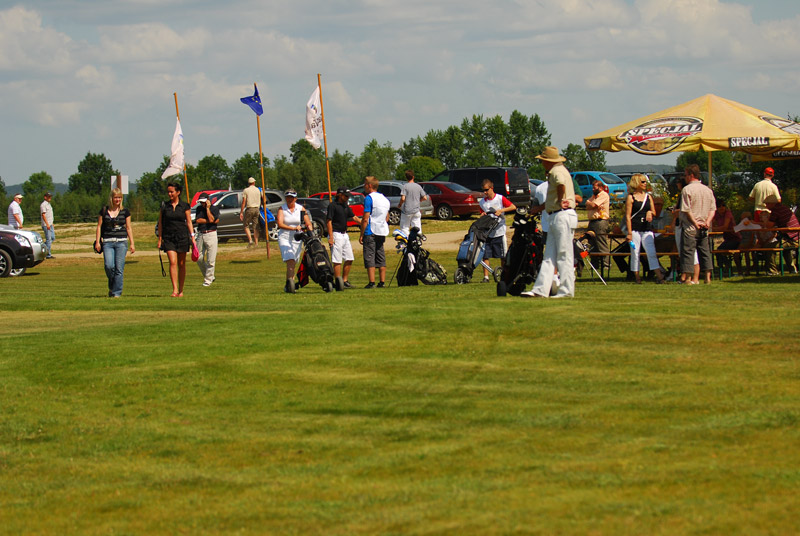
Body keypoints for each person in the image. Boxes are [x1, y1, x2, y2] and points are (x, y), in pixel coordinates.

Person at [523, 146, 577, 298]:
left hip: (562, 215)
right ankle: (540, 290)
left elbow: (560, 184)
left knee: (563, 254)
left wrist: (560, 200)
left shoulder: (556, 171)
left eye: (542, 161)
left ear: (548, 161)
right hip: (556, 215)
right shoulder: (558, 170)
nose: (541, 164)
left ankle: (566, 291)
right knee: (550, 256)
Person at [625, 174, 666, 284]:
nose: (645, 184)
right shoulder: (631, 197)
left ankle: (659, 276)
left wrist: (649, 212)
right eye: (643, 181)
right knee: (635, 252)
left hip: (647, 229)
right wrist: (629, 233)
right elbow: (628, 216)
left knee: (651, 252)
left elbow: (654, 212)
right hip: (635, 229)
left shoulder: (648, 197)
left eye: (645, 182)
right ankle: (637, 277)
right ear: (637, 182)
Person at [157, 181, 196, 297]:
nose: (169, 194)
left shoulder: (185, 206)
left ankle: (181, 290)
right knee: (172, 262)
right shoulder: (164, 206)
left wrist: (192, 237)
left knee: (181, 264)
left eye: (172, 192)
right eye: (168, 192)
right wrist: (160, 238)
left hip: (182, 237)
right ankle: (174, 289)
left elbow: (189, 222)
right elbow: (160, 223)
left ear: (178, 192)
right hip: (168, 238)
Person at [94, 188, 135, 297]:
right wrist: (98, 242)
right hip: (108, 241)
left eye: (119, 197)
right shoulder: (104, 211)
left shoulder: (125, 212)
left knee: (119, 268)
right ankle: (112, 285)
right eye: (116, 197)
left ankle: (116, 293)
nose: (118, 199)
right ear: (111, 198)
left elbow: (129, 227)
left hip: (121, 242)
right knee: (109, 266)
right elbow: (99, 227)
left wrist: (132, 243)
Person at [679, 164, 716, 285]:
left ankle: (688, 278)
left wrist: (695, 222)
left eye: (685, 175)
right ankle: (707, 277)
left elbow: (687, 209)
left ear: (691, 175)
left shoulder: (687, 190)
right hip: (705, 226)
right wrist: (707, 222)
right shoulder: (708, 190)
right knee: (705, 252)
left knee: (688, 252)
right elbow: (712, 209)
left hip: (691, 226)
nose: (684, 177)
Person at [477, 179, 516, 282]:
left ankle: (504, 275)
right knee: (485, 256)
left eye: (486, 190)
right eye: (483, 190)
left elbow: (513, 206)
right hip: (488, 233)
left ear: (491, 188)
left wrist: (501, 210)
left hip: (500, 231)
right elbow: (481, 212)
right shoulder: (482, 202)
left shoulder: (499, 198)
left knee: (503, 256)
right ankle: (486, 277)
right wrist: (482, 215)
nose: (485, 192)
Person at [277, 189, 313, 292]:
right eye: (288, 197)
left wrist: (310, 231)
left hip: (297, 238)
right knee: (291, 260)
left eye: (291, 198)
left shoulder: (300, 208)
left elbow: (308, 223)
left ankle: (289, 285)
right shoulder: (282, 209)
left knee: (293, 262)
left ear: (295, 198)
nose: (289, 199)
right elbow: (280, 224)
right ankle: (290, 285)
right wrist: (293, 228)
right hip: (284, 237)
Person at [359, 176, 391, 288]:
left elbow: (365, 218)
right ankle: (382, 282)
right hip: (381, 230)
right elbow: (387, 216)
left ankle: (371, 282)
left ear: (370, 185)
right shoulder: (384, 199)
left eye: (365, 184)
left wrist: (361, 233)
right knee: (380, 255)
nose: (364, 187)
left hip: (370, 230)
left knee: (369, 256)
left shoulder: (369, 198)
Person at [326, 187, 361, 289]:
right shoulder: (332, 206)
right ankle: (338, 281)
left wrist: (364, 223)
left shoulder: (345, 206)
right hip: (336, 234)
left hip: (345, 234)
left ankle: (344, 280)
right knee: (337, 260)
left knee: (349, 258)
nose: (347, 198)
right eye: (345, 196)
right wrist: (331, 237)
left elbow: (353, 217)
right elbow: (329, 221)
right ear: (339, 195)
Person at [763, 194, 800, 274]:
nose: (766, 206)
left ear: (772, 203)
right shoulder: (783, 208)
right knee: (785, 250)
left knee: (769, 247)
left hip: (791, 238)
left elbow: (768, 225)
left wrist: (762, 221)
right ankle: (792, 269)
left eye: (767, 204)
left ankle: (773, 271)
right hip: (796, 237)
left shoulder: (775, 211)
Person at [195, 194, 220, 287]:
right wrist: (210, 221)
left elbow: (213, 219)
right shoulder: (198, 209)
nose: (202, 203)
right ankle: (209, 275)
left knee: (211, 259)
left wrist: (208, 209)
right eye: (201, 202)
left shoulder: (214, 209)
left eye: (203, 202)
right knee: (198, 257)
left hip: (211, 234)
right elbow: (198, 220)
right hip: (201, 234)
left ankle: (208, 280)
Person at [711, 198, 741, 275]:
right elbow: (712, 223)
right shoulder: (716, 214)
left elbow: (725, 227)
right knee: (718, 251)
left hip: (735, 238)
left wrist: (713, 228)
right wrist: (713, 226)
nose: (722, 207)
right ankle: (723, 269)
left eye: (723, 205)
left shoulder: (728, 213)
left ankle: (728, 268)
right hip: (727, 239)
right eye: (719, 206)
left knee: (719, 250)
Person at [584, 180, 610, 271]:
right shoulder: (593, 196)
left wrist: (592, 205)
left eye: (595, 187)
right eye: (592, 187)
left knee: (601, 243)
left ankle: (606, 265)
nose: (592, 189)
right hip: (592, 221)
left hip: (600, 221)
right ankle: (595, 265)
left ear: (601, 187)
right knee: (592, 243)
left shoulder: (603, 195)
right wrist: (591, 205)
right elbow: (587, 205)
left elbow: (593, 204)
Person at [398, 170, 428, 235]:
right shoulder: (418, 186)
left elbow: (403, 198)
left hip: (407, 211)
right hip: (416, 210)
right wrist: (419, 200)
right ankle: (417, 240)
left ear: (406, 177)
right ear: (413, 177)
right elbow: (425, 197)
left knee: (405, 227)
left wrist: (400, 204)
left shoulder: (405, 186)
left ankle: (406, 240)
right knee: (417, 226)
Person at [240, 177, 263, 248]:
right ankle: (256, 243)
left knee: (246, 225)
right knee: (255, 226)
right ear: (254, 182)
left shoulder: (246, 190)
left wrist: (241, 212)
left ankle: (250, 240)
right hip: (257, 209)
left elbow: (244, 202)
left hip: (250, 209)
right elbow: (263, 199)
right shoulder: (258, 190)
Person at [40, 192, 55, 258]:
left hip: (50, 224)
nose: (50, 198)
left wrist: (51, 223)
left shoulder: (49, 204)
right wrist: (47, 224)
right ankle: (48, 254)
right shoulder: (43, 205)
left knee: (52, 237)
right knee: (48, 239)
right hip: (46, 225)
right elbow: (43, 215)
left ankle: (42, 247)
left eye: (50, 196)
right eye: (48, 197)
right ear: (45, 197)